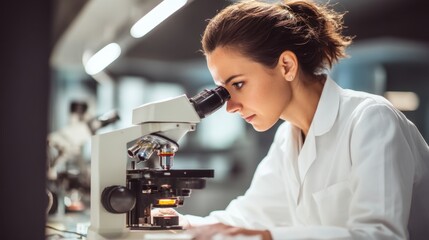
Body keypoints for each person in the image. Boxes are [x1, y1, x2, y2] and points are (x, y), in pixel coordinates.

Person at [156, 0, 429, 239]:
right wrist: (172, 222)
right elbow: (245, 219)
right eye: (223, 91)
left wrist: (265, 237)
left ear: (287, 66)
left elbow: (381, 235)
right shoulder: (288, 137)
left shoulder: (371, 119)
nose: (230, 107)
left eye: (238, 84)